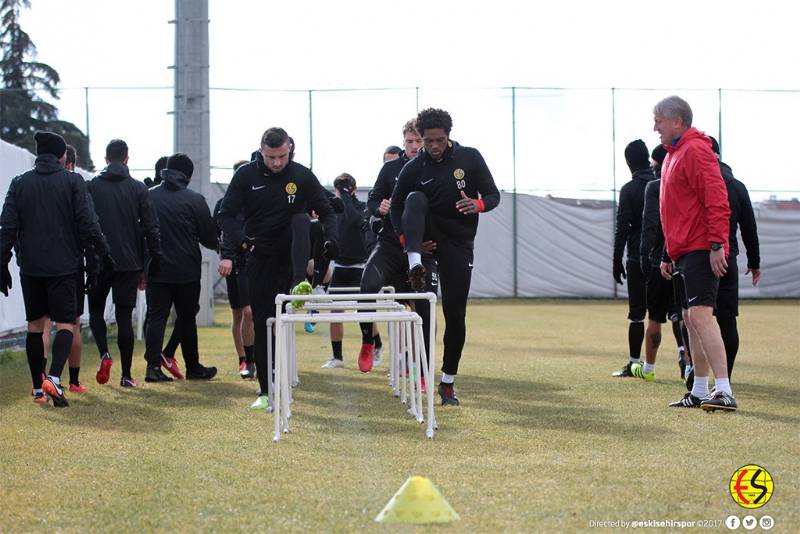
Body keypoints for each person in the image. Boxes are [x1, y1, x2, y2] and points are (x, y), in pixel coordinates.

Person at [217, 127, 338, 410]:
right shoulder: (246, 175)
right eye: (271, 157)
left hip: (294, 250)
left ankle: (300, 285)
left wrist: (332, 239)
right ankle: (265, 391)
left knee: (299, 219)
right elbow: (226, 215)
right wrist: (244, 244)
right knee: (263, 322)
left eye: (282, 156)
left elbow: (328, 210)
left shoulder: (301, 175)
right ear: (261, 151)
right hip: (260, 253)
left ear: (290, 149)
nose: (276, 163)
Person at [390, 108, 501, 406]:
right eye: (428, 141)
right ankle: (413, 261)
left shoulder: (470, 158)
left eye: (439, 140)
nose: (434, 146)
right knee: (414, 198)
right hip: (426, 243)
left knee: (455, 315)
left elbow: (493, 195)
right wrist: (408, 240)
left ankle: (448, 382)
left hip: (459, 243)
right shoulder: (414, 168)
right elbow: (397, 208)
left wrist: (478, 204)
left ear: (448, 136)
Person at [0, 131, 114, 406]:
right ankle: (54, 378)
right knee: (65, 324)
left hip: (30, 266)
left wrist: (2, 262)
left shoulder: (19, 183)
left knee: (35, 327)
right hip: (64, 266)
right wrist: (103, 255)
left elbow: (7, 228)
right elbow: (88, 223)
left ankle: (39, 389)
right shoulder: (73, 181)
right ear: (62, 155)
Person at [653, 96, 735, 411]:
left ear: (676, 121)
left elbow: (717, 198)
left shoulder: (696, 150)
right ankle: (699, 389)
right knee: (689, 318)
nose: (655, 127)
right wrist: (670, 252)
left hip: (702, 247)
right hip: (684, 250)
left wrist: (717, 244)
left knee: (701, 316)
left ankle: (724, 389)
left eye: (658, 120)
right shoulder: (675, 153)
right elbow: (677, 209)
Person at [358, 119, 436, 375]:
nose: (414, 146)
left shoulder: (435, 167)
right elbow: (370, 203)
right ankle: (369, 340)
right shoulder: (391, 168)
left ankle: (420, 368)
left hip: (423, 249)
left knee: (425, 307)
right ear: (403, 142)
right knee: (367, 285)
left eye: (418, 141)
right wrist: (377, 211)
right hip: (390, 245)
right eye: (409, 142)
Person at [87, 139, 162, 388]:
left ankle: (104, 354)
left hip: (99, 260)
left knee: (96, 311)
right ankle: (127, 375)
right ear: (127, 158)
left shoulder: (92, 186)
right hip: (129, 263)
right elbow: (150, 227)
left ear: (106, 159)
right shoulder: (138, 188)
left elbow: (84, 222)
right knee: (123, 316)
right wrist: (151, 260)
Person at [143, 153, 218, 382]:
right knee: (186, 318)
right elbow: (208, 236)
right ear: (189, 175)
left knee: (157, 317)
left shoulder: (148, 196)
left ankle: (152, 368)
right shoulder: (195, 200)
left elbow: (140, 231)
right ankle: (193, 367)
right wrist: (220, 246)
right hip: (187, 269)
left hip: (155, 267)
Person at [638, 145, 693, 385]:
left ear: (660, 162)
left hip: (658, 259)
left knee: (654, 317)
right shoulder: (683, 183)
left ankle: (649, 367)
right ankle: (689, 362)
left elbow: (650, 223)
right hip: (680, 256)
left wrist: (644, 255)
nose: (652, 166)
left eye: (654, 162)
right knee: (682, 314)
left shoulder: (654, 186)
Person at [709, 137, 761, 378]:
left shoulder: (699, 182)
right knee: (727, 321)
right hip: (729, 259)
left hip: (701, 258)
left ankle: (694, 374)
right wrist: (754, 262)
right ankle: (724, 378)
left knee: (695, 319)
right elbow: (749, 228)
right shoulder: (738, 186)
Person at [320, 173, 381, 369]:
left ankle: (375, 344)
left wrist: (347, 197)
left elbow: (356, 220)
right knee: (335, 312)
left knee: (364, 312)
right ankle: (337, 356)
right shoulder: (333, 210)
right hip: (340, 267)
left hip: (361, 267)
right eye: (339, 190)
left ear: (353, 189)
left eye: (345, 189)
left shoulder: (361, 208)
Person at [611, 140, 656, 378]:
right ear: (648, 158)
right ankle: (686, 365)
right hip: (663, 257)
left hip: (637, 258)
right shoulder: (661, 183)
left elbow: (622, 228)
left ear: (628, 162)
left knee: (637, 313)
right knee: (676, 314)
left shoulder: (630, 189)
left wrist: (616, 260)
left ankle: (634, 363)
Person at [213, 159, 255, 379]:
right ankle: (243, 359)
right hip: (234, 264)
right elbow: (218, 231)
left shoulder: (256, 200)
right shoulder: (223, 203)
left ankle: (253, 359)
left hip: (254, 262)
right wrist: (224, 255)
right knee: (239, 314)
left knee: (251, 312)